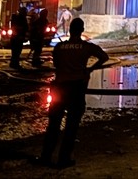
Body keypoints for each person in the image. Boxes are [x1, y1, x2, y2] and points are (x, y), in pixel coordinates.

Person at [36, 17, 107, 169]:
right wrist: (89, 69)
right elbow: (104, 57)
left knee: (53, 124)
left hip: (59, 88)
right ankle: (64, 158)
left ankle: (46, 156)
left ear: (69, 30)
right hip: (76, 88)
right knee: (71, 125)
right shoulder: (86, 47)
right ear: (81, 30)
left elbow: (56, 64)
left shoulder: (59, 47)